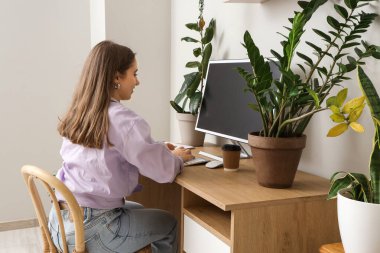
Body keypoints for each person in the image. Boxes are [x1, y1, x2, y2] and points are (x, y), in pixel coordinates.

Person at [48, 40, 194, 253]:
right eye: (134, 73)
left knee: (141, 210)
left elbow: (107, 152)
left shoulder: (81, 112)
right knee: (169, 223)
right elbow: (164, 171)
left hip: (61, 223)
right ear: (117, 77)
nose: (138, 81)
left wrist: (159, 149)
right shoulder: (123, 120)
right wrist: (178, 159)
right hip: (91, 230)